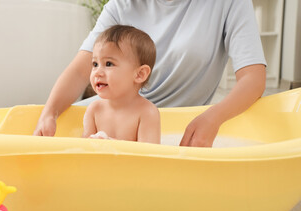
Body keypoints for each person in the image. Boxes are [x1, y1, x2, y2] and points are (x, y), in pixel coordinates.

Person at [34, 0, 266, 147]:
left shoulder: (228, 4)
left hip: (172, 129)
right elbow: (80, 70)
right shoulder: (121, 5)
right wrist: (49, 112)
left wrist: (213, 117)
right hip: (112, 119)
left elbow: (253, 78)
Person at [82, 25, 160, 143]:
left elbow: (149, 156)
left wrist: (112, 143)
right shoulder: (94, 110)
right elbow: (82, 150)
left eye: (108, 64)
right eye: (95, 64)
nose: (97, 72)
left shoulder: (146, 112)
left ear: (139, 74)